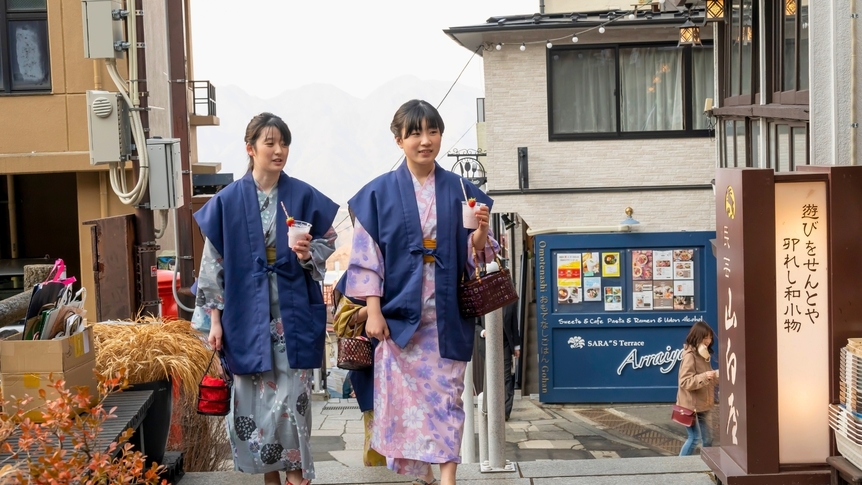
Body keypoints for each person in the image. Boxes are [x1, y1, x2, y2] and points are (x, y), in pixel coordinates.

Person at [345, 99, 499, 485]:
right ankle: (426, 475)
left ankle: (447, 477)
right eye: (415, 133)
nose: (425, 141)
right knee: (408, 405)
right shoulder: (379, 193)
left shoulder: (463, 190)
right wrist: (374, 311)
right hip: (400, 318)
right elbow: (368, 257)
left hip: (447, 314)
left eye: (432, 132)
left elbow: (481, 252)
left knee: (448, 398)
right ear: (399, 140)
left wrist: (479, 233)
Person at [193, 112, 339, 485]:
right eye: (269, 143)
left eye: (283, 143)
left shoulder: (302, 195)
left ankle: (295, 476)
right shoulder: (227, 201)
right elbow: (213, 263)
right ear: (250, 148)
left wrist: (309, 253)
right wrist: (214, 321)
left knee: (293, 402)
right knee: (254, 406)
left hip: (291, 313)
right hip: (245, 314)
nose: (278, 150)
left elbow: (328, 242)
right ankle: (271, 479)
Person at [330, 274, 386, 467]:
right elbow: (340, 321)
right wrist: (373, 310)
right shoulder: (359, 272)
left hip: (410, 356)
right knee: (377, 436)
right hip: (373, 361)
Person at [676, 320, 718, 456]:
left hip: (704, 404)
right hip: (690, 406)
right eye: (706, 337)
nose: (709, 340)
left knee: (708, 439)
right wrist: (706, 376)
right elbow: (685, 381)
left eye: (710, 337)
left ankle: (707, 465)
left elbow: (708, 378)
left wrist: (717, 375)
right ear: (697, 337)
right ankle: (680, 466)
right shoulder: (690, 356)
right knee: (694, 439)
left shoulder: (704, 354)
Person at [479, 300, 521, 421]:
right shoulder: (482, 301)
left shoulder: (510, 303)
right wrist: (483, 332)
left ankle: (505, 412)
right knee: (491, 377)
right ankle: (489, 408)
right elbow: (476, 324)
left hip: (505, 344)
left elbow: (514, 324)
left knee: (506, 377)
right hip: (488, 344)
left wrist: (517, 346)